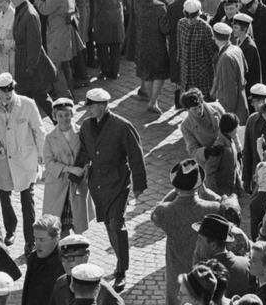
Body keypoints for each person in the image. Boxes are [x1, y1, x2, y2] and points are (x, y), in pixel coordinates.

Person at [74, 87, 147, 291]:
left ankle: (121, 270)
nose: (88, 109)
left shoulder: (122, 126)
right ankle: (119, 259)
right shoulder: (86, 126)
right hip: (97, 184)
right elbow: (84, 153)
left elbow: (136, 155)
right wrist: (74, 173)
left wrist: (139, 185)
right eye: (87, 105)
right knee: (108, 224)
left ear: (103, 106)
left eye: (92, 106)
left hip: (118, 182)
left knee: (116, 222)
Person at [0, 72, 48, 251]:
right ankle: (10, 230)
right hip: (3, 160)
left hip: (25, 159)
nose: (8, 93)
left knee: (27, 199)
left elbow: (39, 130)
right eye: (4, 90)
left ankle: (30, 240)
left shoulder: (27, 104)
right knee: (4, 197)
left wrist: (41, 155)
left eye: (11, 88)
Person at [150, 159, 222, 305]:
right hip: (204, 276)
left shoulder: (165, 212)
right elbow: (222, 203)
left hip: (176, 276)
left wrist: (174, 191)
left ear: (176, 185)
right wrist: (206, 192)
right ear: (199, 184)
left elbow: (155, 211)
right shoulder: (212, 208)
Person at [41, 96, 88, 236]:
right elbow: (48, 162)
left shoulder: (81, 133)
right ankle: (62, 251)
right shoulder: (50, 137)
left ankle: (78, 249)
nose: (64, 119)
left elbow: (88, 153)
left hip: (76, 184)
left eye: (67, 114)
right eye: (60, 115)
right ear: (55, 117)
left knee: (77, 221)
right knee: (59, 223)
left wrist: (86, 167)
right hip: (57, 185)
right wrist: (69, 169)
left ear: (72, 114)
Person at [20, 214, 65, 305]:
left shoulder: (63, 266)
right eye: (35, 239)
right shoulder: (33, 258)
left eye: (42, 240)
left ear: (56, 239)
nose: (37, 244)